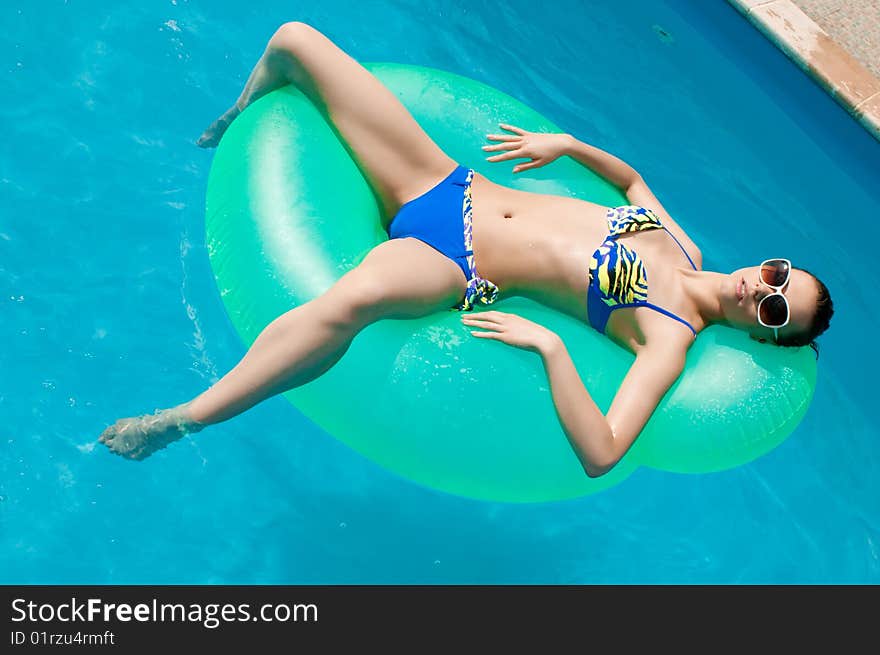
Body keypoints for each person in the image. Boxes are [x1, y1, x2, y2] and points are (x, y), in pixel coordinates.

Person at [98, 22, 833, 477]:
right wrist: (567, 144)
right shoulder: (685, 243)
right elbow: (634, 181)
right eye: (777, 274)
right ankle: (235, 120)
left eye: (772, 306)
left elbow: (604, 450)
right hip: (446, 184)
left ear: (763, 334)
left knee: (355, 297)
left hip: (462, 266)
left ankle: (180, 418)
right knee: (295, 40)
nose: (757, 288)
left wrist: (551, 347)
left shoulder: (669, 337)